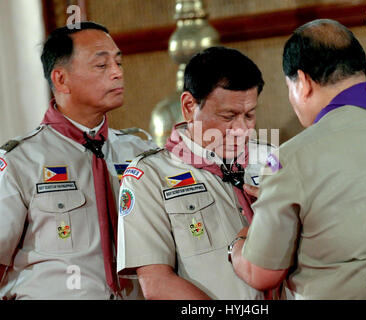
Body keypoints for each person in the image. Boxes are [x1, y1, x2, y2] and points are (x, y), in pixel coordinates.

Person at [229, 19, 366, 300]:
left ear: (303, 82)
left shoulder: (290, 157)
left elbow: (262, 273)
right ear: (363, 71)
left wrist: (238, 243)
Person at [0, 22, 156, 299]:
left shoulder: (142, 154)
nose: (117, 73)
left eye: (118, 63)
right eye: (101, 66)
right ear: (61, 79)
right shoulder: (19, 161)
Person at [117, 46, 276, 299]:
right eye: (229, 116)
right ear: (189, 106)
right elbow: (157, 283)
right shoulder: (149, 176)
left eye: (249, 115)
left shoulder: (272, 159)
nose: (241, 129)